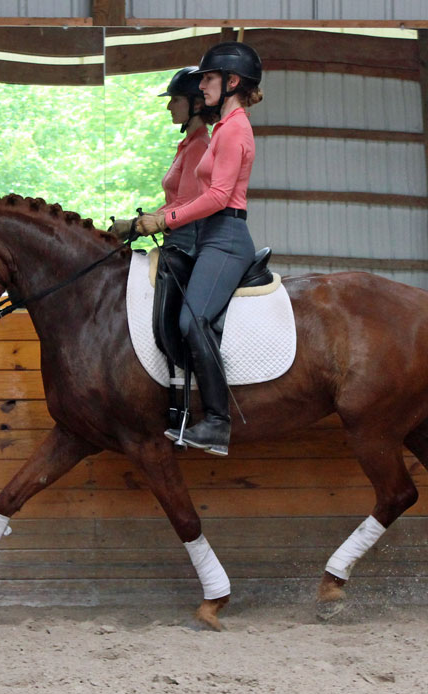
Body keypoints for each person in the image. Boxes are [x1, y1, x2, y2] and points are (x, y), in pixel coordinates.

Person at [136, 41, 263, 457]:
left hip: (226, 237)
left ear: (232, 82)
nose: (202, 84)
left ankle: (217, 422)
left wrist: (164, 220)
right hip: (211, 235)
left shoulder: (236, 128)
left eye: (208, 78)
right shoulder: (226, 128)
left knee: (194, 321)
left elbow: (219, 195)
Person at [111, 67, 215, 256]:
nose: (169, 106)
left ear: (197, 105)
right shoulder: (188, 145)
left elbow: (185, 203)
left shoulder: (198, 147)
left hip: (187, 239)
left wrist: (134, 224)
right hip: (175, 234)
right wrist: (139, 222)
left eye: (175, 100)